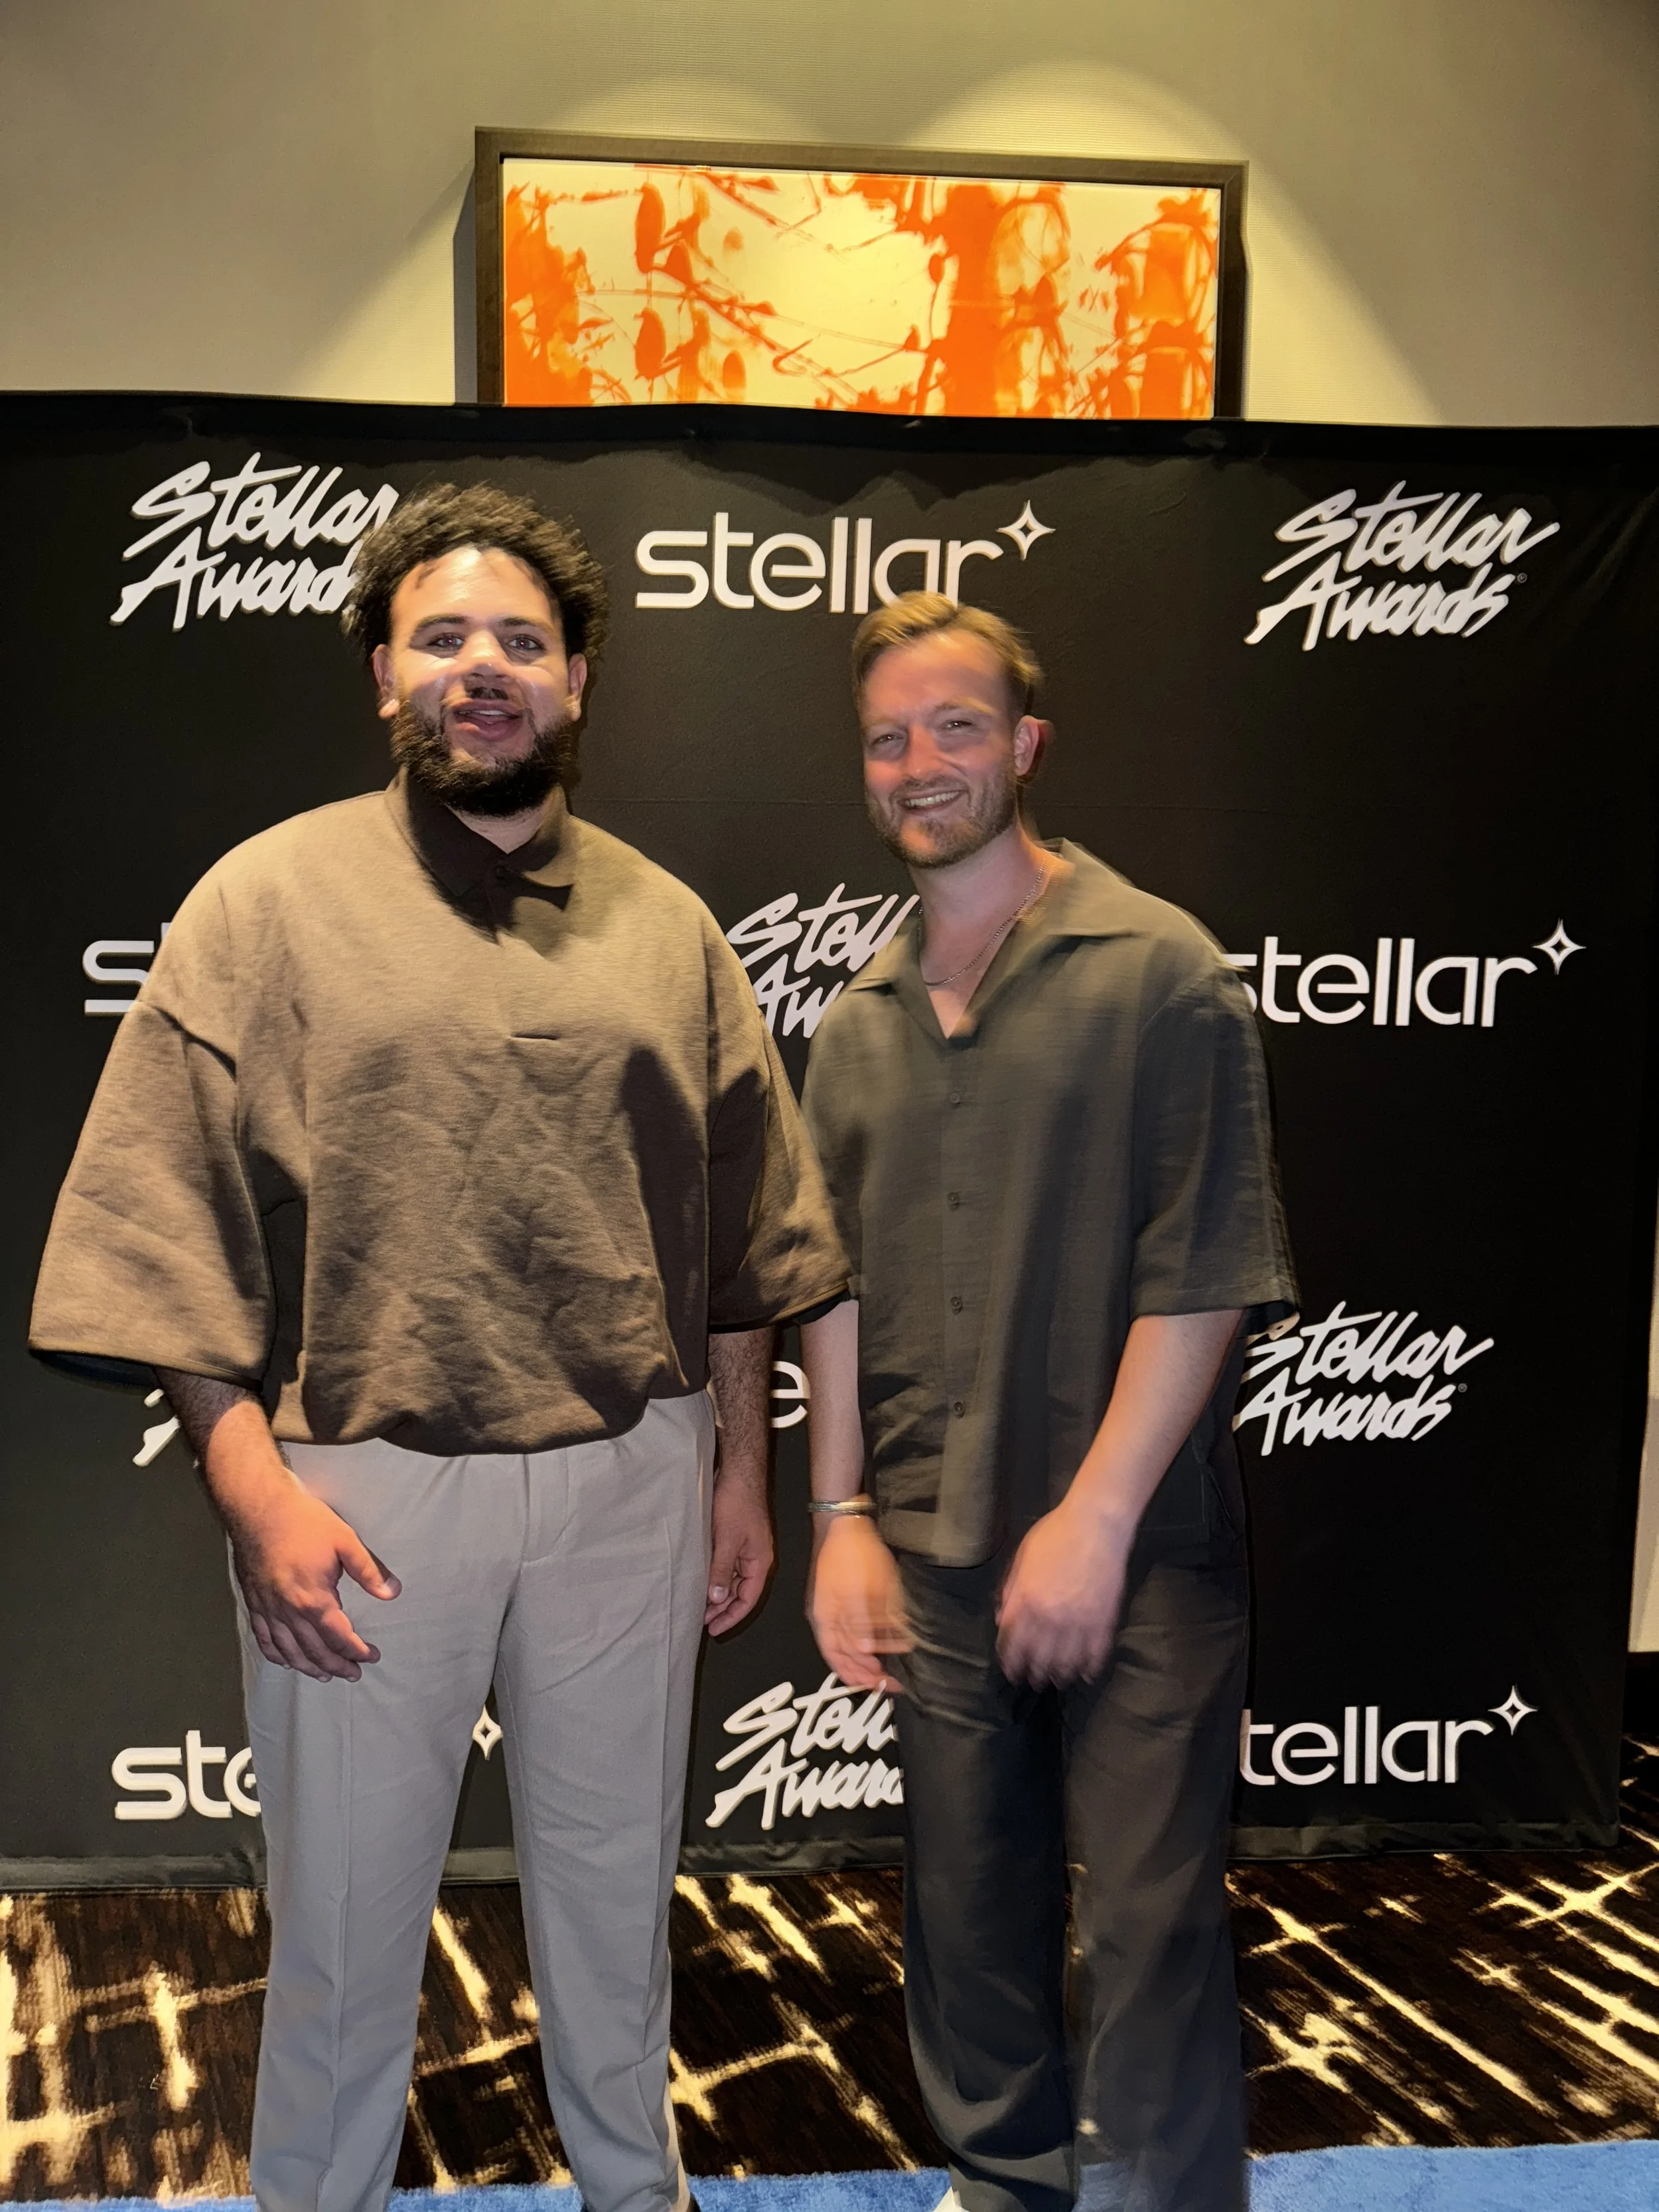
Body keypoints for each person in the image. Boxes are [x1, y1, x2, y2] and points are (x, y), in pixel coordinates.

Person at [30, 482, 847, 2212]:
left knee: (615, 1905)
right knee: (340, 1926)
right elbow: (156, 1227)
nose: (484, 667)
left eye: (522, 640)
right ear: (384, 675)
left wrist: (740, 1469)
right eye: (443, 635)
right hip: (360, 1500)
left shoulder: (666, 927)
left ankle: (642, 2194)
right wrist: (254, 1493)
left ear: (577, 677)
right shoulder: (261, 906)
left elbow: (749, 1229)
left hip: (631, 1485)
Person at [798, 593, 1296, 2212]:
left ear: (1024, 744)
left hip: (1135, 1552)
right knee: (964, 1909)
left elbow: (1207, 1264)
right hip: (929, 1549)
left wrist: (1089, 1519)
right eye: (887, 736)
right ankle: (1003, 2185)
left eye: (953, 726)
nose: (918, 761)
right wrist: (841, 1517)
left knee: (1147, 1923)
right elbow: (834, 1293)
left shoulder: (1160, 968)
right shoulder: (855, 1022)